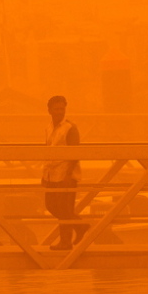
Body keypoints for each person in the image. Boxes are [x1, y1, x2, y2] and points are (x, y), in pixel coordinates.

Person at [42, 95, 87, 250]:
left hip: (66, 175)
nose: (60, 112)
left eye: (62, 109)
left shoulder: (70, 128)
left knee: (65, 209)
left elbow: (74, 154)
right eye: (56, 109)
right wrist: (44, 175)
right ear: (49, 110)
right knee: (51, 206)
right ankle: (80, 226)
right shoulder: (48, 128)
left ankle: (65, 242)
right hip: (51, 175)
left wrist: (68, 175)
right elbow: (47, 151)